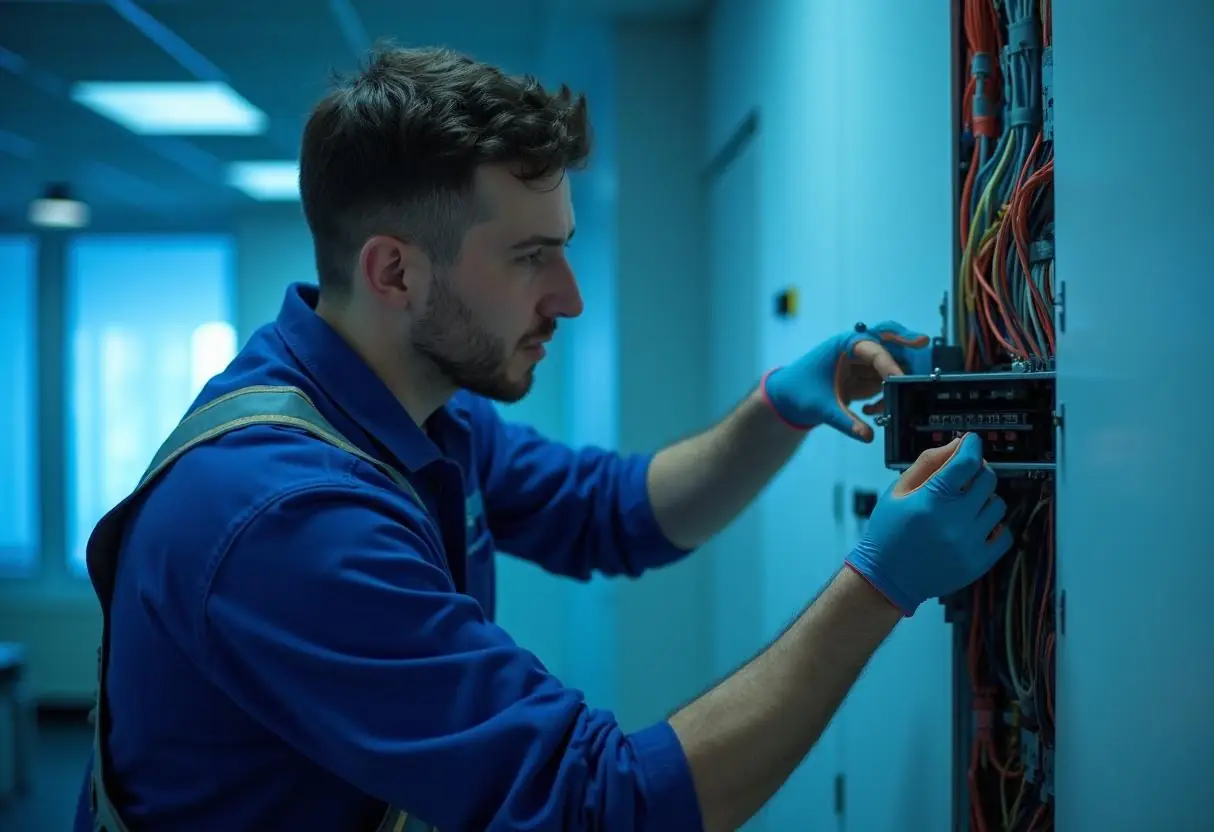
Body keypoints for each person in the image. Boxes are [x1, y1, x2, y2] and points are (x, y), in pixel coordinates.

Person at [74, 46, 1012, 832]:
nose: (568, 298)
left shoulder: (415, 411)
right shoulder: (283, 520)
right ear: (395, 271)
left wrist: (778, 407)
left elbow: (616, 515)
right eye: (531, 257)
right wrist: (876, 588)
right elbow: (597, 806)